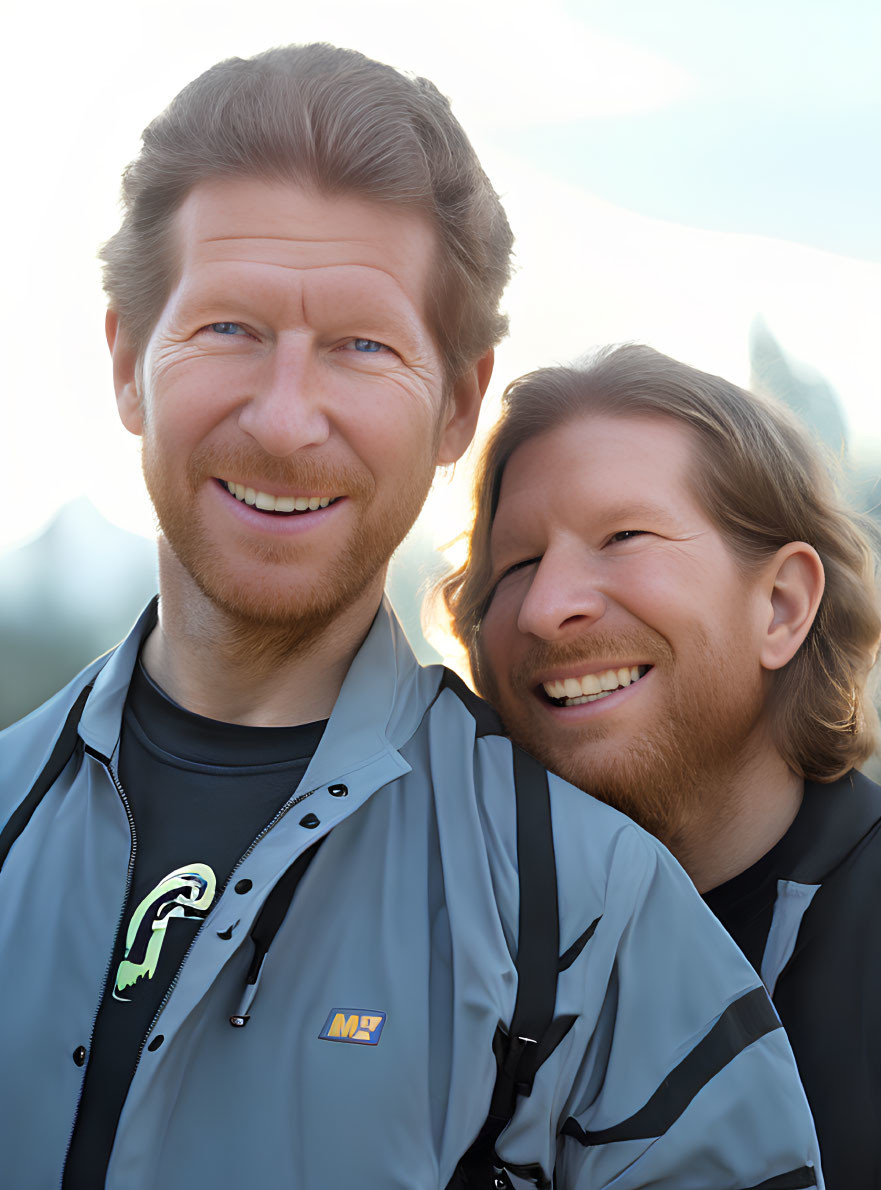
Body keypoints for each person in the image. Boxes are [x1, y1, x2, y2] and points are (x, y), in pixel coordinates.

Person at [0, 49, 823, 1190]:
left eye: (362, 345)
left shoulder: (594, 920)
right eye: (230, 328)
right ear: (129, 363)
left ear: (457, 403)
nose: (287, 421)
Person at [444, 342, 881, 1188]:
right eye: (518, 564)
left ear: (781, 607)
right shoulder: (427, 917)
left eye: (622, 536)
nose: (544, 607)